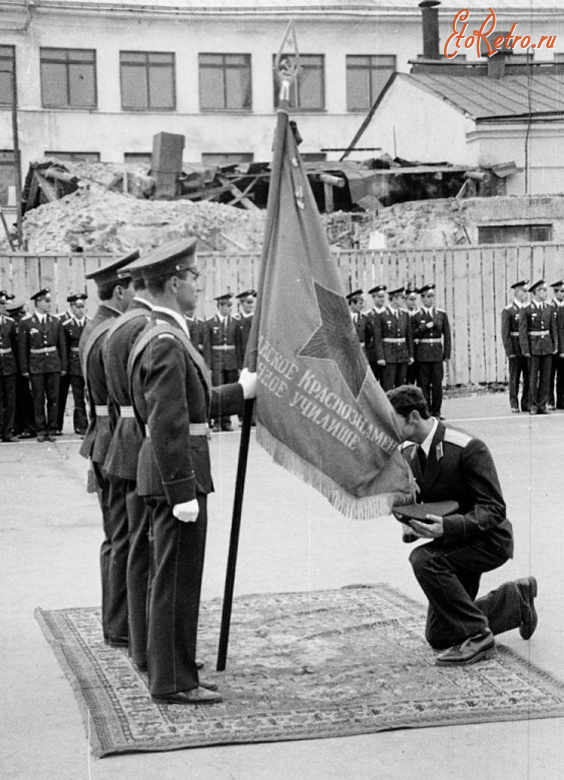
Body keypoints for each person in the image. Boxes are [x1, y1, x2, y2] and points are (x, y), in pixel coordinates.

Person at [127, 237, 256, 705]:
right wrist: (182, 491)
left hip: (175, 471)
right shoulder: (164, 340)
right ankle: (173, 680)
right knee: (176, 581)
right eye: (193, 276)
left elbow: (191, 404)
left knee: (177, 579)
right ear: (174, 281)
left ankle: (176, 672)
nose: (198, 285)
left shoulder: (165, 334)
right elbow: (167, 422)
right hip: (175, 476)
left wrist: (240, 392)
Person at [387, 385, 538, 666]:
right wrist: (410, 524)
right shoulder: (408, 452)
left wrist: (448, 528)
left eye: (392, 419)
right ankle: (516, 600)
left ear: (413, 417)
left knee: (424, 560)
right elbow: (424, 502)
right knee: (440, 635)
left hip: (488, 540)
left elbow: (494, 509)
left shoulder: (467, 447)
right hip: (455, 544)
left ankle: (479, 636)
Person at [79, 252, 136, 648]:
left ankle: (118, 624)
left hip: (102, 438)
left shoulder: (93, 327)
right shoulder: (112, 332)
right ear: (119, 290)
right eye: (133, 287)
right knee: (124, 537)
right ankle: (121, 627)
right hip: (115, 440)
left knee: (116, 536)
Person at [103, 261, 153, 672]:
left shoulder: (110, 327)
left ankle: (129, 633)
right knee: (141, 548)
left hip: (117, 438)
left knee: (128, 543)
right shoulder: (138, 328)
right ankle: (142, 642)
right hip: (136, 443)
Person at [18, 288, 67, 442]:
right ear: (37, 303)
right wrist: (24, 368)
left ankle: (52, 429)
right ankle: (40, 430)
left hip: (53, 364)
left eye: (49, 301)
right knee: (38, 398)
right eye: (46, 301)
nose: (49, 304)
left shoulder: (55, 321)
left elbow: (62, 345)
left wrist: (63, 366)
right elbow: (22, 348)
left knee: (53, 397)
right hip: (36, 365)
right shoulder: (26, 323)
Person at [518, 279, 558, 415]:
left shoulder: (549, 308)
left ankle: (543, 404)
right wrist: (525, 349)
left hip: (546, 346)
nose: (545, 293)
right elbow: (523, 332)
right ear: (535, 292)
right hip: (533, 347)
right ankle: (533, 405)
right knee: (533, 378)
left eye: (546, 290)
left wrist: (555, 345)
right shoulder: (526, 309)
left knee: (546, 377)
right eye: (543, 290)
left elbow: (553, 329)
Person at [411, 283, 451, 419]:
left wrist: (447, 353)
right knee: (424, 384)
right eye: (428, 297)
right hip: (422, 353)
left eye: (432, 296)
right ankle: (426, 412)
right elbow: (414, 334)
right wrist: (427, 326)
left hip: (436, 353)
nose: (430, 299)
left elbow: (447, 335)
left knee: (437, 384)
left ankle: (437, 411)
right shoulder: (416, 315)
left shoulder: (440, 314)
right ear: (422, 298)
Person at [203, 292, 239, 431]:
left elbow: (238, 344)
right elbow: (207, 346)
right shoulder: (210, 323)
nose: (229, 308)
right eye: (227, 306)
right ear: (220, 306)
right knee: (217, 391)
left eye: (230, 306)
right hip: (216, 361)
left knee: (229, 391)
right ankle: (217, 422)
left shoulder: (235, 323)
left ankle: (226, 422)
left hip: (231, 361)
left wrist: (239, 364)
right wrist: (208, 365)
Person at [372, 286, 414, 391]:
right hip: (388, 356)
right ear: (394, 299)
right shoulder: (381, 315)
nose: (404, 301)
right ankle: (389, 408)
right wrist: (380, 357)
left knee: (401, 385)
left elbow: (409, 336)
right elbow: (377, 338)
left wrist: (411, 355)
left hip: (403, 355)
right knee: (388, 385)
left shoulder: (405, 315)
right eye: (402, 298)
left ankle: (399, 407)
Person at [5, 298, 36, 438]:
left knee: (23, 397)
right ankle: (20, 426)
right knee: (17, 398)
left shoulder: (17, 324)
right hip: (13, 366)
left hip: (17, 366)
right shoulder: (13, 324)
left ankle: (28, 426)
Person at [58, 293, 89, 435]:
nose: (80, 310)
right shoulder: (66, 326)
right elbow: (63, 347)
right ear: (72, 308)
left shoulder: (91, 323)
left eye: (82, 306)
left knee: (91, 396)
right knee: (78, 398)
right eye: (77, 307)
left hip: (87, 364)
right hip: (74, 364)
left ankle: (90, 423)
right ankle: (81, 425)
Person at [501, 280, 530, 413]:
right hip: (515, 346)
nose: (526, 294)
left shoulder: (528, 308)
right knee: (515, 377)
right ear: (517, 292)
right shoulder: (509, 310)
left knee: (528, 376)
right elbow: (505, 333)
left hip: (527, 347)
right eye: (524, 291)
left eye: (526, 291)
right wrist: (509, 351)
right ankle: (514, 402)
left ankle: (526, 402)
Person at [0, 290, 18, 441]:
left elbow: (15, 345)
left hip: (8, 364)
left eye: (4, 304)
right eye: (1, 304)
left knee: (10, 400)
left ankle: (8, 432)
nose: (3, 307)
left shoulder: (10, 323)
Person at [365, 284, 387, 381]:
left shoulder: (388, 315)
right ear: (373, 298)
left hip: (387, 353)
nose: (381, 299)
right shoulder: (367, 315)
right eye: (379, 297)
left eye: (383, 297)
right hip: (372, 354)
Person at [548, 280, 564, 410]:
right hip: (551, 347)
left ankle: (561, 400)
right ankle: (550, 400)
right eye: (561, 291)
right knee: (550, 375)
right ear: (555, 292)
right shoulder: (549, 307)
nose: (563, 294)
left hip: (563, 348)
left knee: (562, 376)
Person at [234, 289, 257, 370]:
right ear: (241, 303)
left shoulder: (256, 319)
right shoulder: (236, 320)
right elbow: (237, 344)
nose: (251, 305)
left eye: (252, 302)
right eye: (248, 302)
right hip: (242, 359)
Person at [404, 285, 420, 385]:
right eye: (411, 299)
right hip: (405, 351)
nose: (413, 302)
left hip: (419, 351)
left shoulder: (420, 314)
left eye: (415, 299)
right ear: (405, 300)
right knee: (407, 378)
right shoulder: (402, 315)